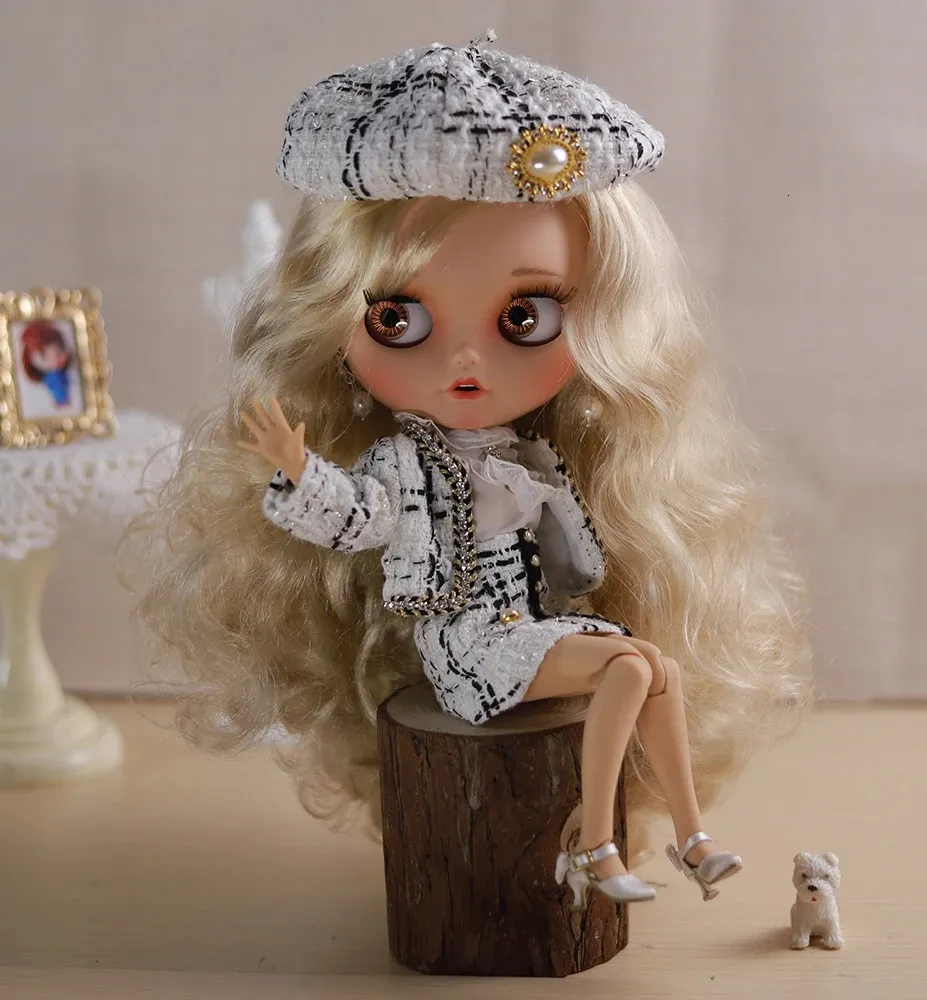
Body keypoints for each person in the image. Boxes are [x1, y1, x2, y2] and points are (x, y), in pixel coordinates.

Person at [127, 30, 812, 909]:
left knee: (657, 669)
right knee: (631, 670)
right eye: (398, 321)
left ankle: (690, 836)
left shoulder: (532, 457)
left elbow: (572, 558)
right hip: (468, 648)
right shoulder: (406, 464)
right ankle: (597, 845)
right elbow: (362, 517)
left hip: (526, 629)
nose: (464, 360)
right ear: (330, 323)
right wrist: (299, 470)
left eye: (524, 318)